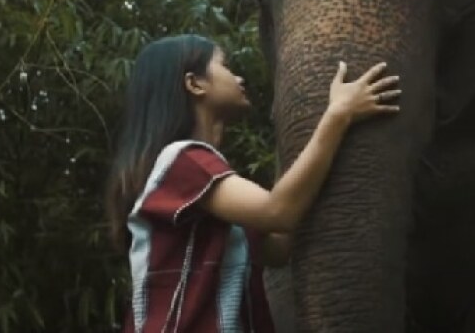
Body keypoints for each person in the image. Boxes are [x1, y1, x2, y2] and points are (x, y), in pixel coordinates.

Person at [105, 34, 401, 333]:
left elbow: (277, 249)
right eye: (225, 66)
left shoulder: (210, 188)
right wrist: (338, 114)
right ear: (195, 84)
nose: (238, 77)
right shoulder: (181, 159)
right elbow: (279, 212)